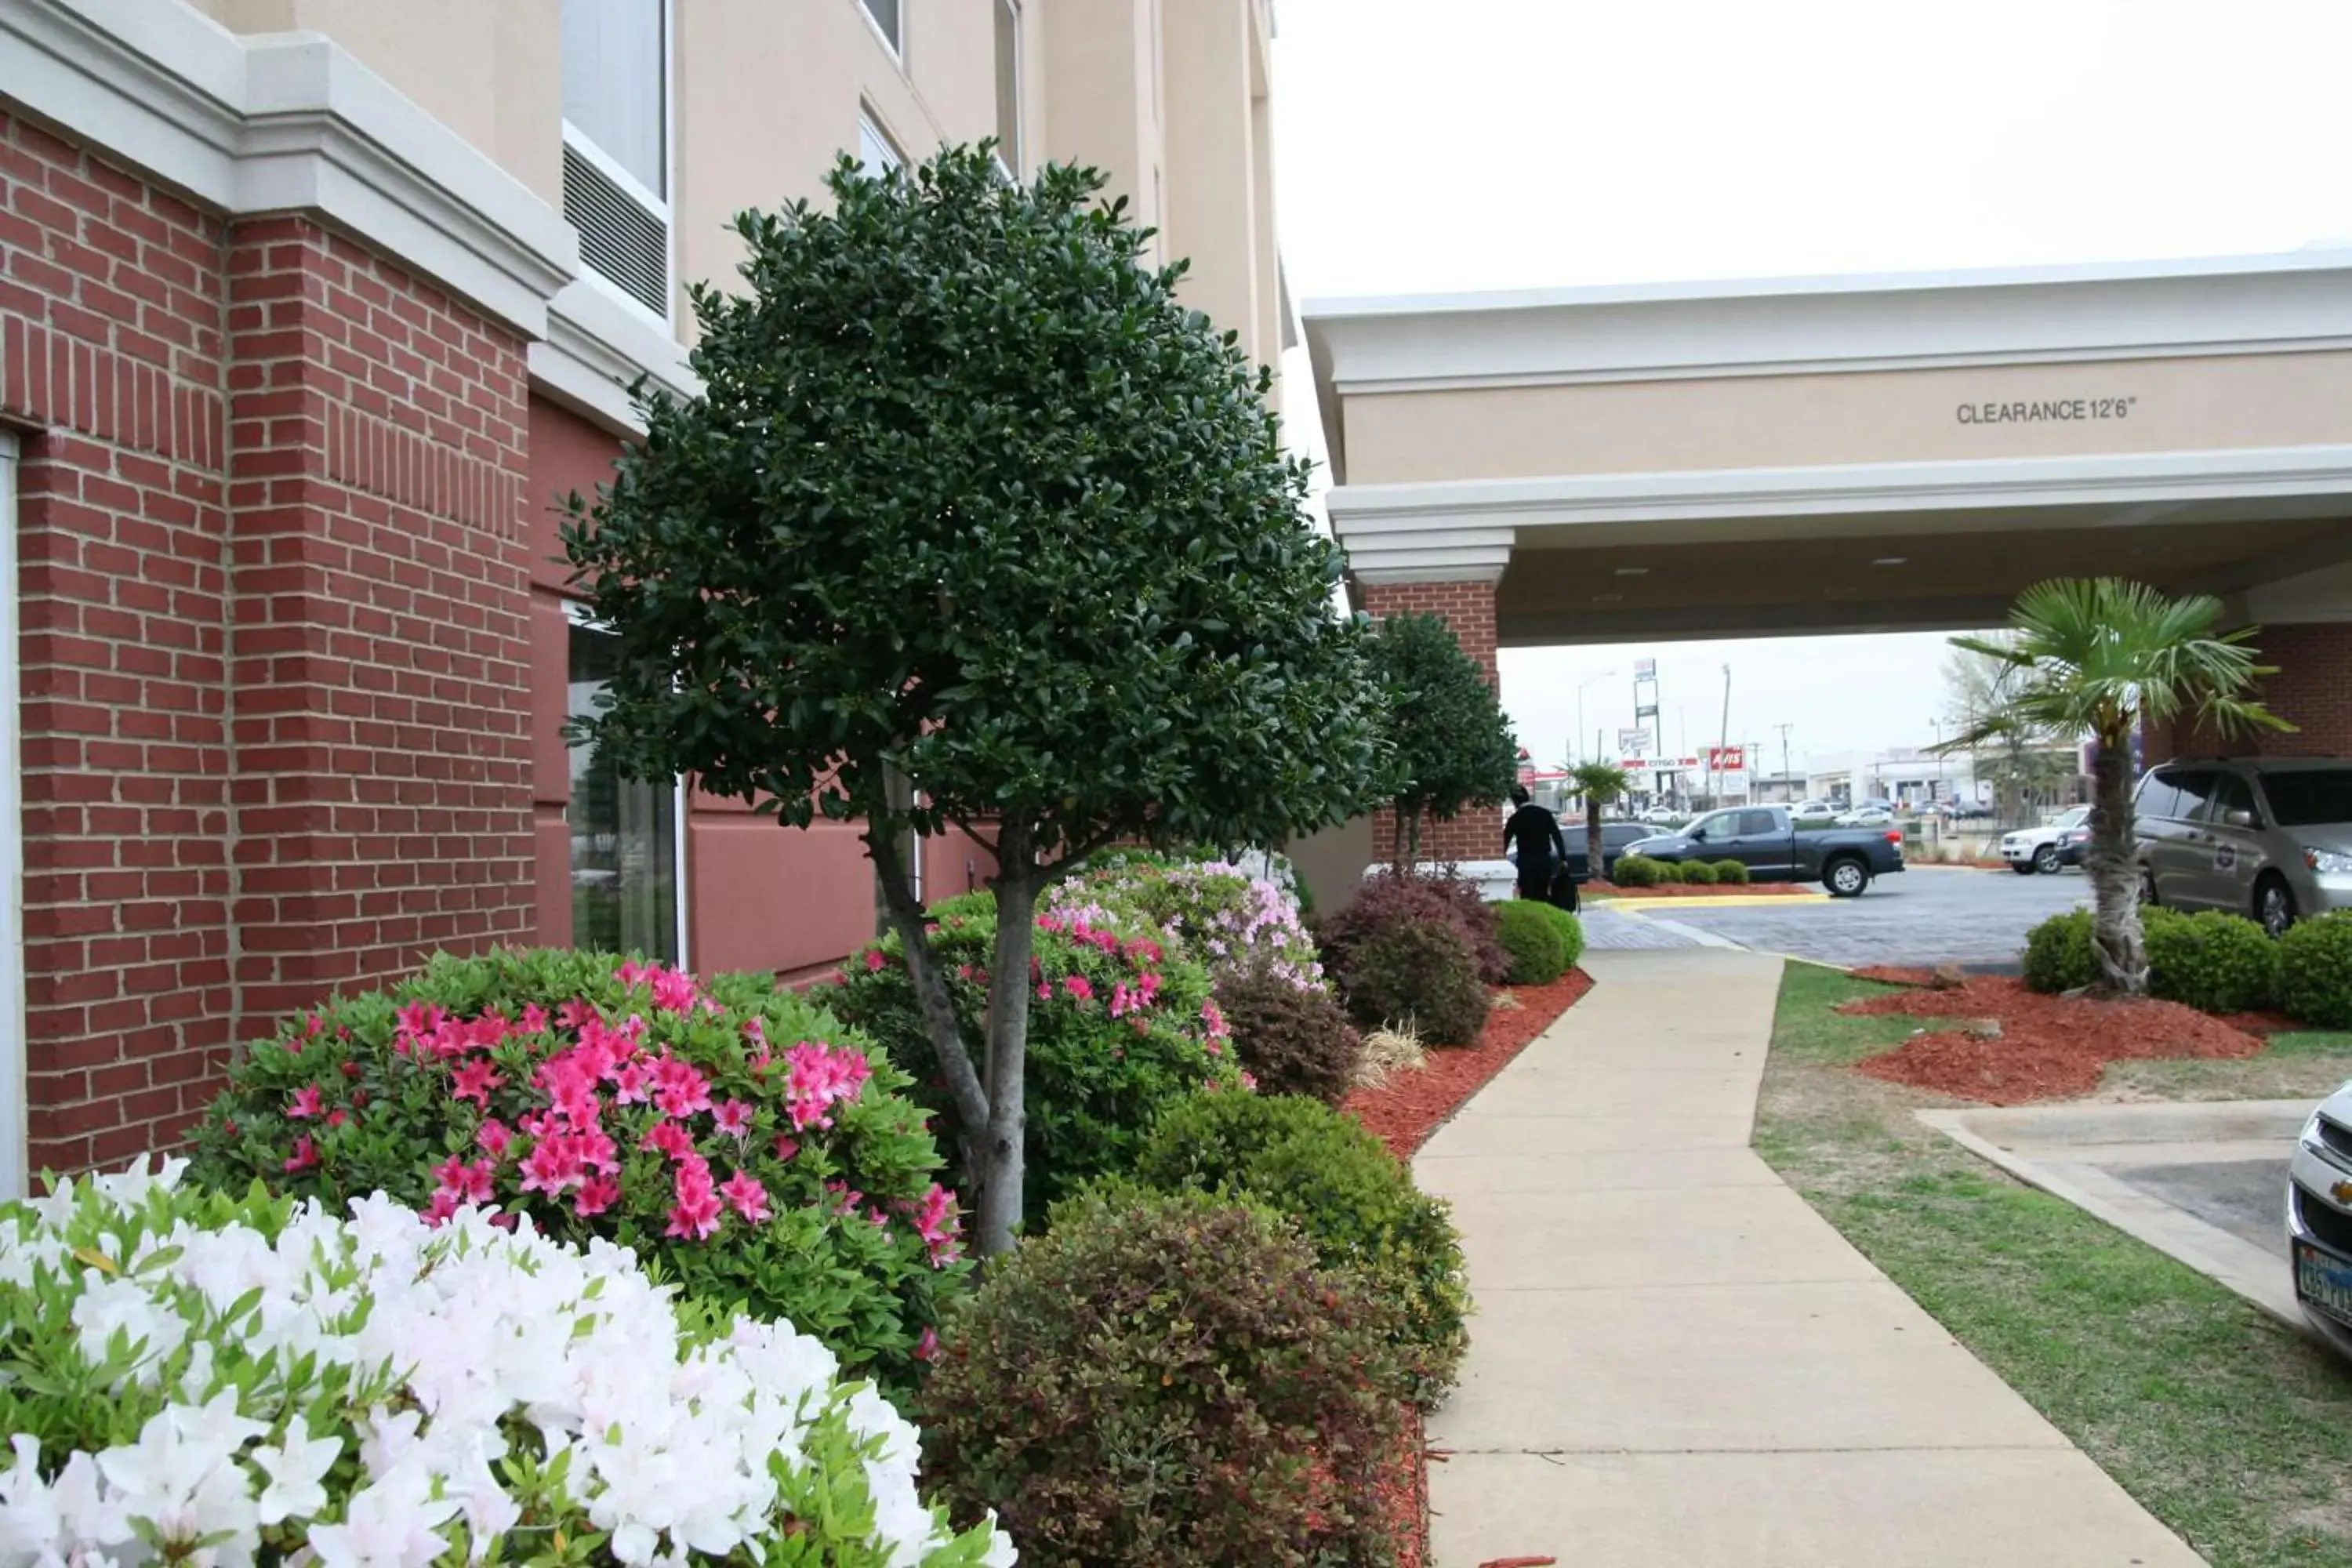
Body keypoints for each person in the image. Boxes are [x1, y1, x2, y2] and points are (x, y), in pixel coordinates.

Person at [1502, 785, 1569, 903]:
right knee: (1542, 893)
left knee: (1528, 896)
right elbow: (1557, 837)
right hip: (1544, 860)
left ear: (1514, 802)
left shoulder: (1516, 818)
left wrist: (1501, 858)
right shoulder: (1545, 814)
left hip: (1525, 861)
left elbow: (1505, 841)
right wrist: (1563, 858)